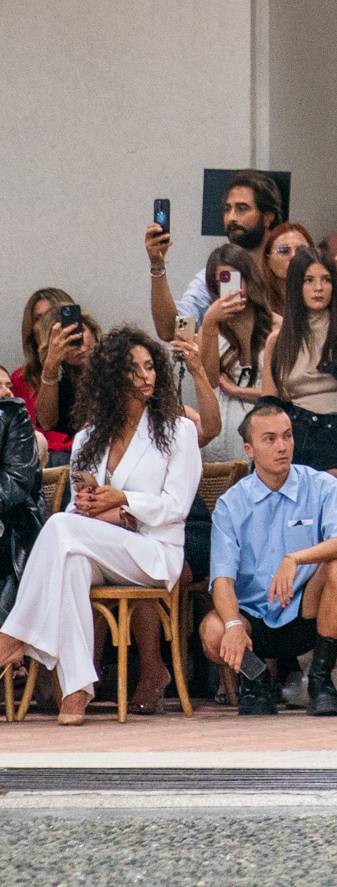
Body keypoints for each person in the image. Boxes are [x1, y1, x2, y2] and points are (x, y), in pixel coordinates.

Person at [0, 328, 202, 724]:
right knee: (71, 559)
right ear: (111, 376)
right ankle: (77, 688)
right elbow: (82, 509)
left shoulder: (179, 431)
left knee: (59, 528)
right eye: (133, 369)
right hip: (98, 543)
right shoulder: (88, 438)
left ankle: (13, 636)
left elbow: (177, 508)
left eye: (149, 366)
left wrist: (123, 502)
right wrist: (98, 507)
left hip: (153, 552)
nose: (146, 376)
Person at [199, 399, 337, 715]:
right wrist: (233, 623)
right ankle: (256, 681)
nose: (282, 446)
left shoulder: (322, 486)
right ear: (249, 450)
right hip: (252, 622)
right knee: (212, 630)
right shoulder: (231, 504)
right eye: (269, 439)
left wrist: (295, 559)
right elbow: (222, 581)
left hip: (304, 611)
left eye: (287, 436)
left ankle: (320, 681)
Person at [259, 252, 337, 493]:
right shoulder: (278, 340)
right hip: (295, 430)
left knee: (334, 506)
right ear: (296, 285)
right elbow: (268, 404)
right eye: (308, 280)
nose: (318, 288)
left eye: (326, 279)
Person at [150, 169, 283, 336]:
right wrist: (157, 265)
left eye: (242, 209)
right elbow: (172, 330)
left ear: (268, 217)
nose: (231, 218)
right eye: (227, 209)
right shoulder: (215, 276)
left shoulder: (286, 271)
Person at [192, 243, 277, 462]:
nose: (231, 288)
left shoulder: (277, 327)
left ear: (249, 279)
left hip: (264, 435)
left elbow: (282, 392)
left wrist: (236, 390)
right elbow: (210, 380)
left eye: (235, 278)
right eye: (222, 281)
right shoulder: (209, 328)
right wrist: (210, 323)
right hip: (219, 438)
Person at [14, 291, 94, 461]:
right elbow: (46, 423)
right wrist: (51, 364)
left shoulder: (115, 363)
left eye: (77, 330)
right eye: (40, 319)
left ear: (92, 330)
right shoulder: (61, 375)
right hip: (58, 456)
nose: (73, 341)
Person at [0, 378, 36, 621]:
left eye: (7, 386)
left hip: (13, 522)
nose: (5, 392)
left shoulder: (13, 415)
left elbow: (16, 480)